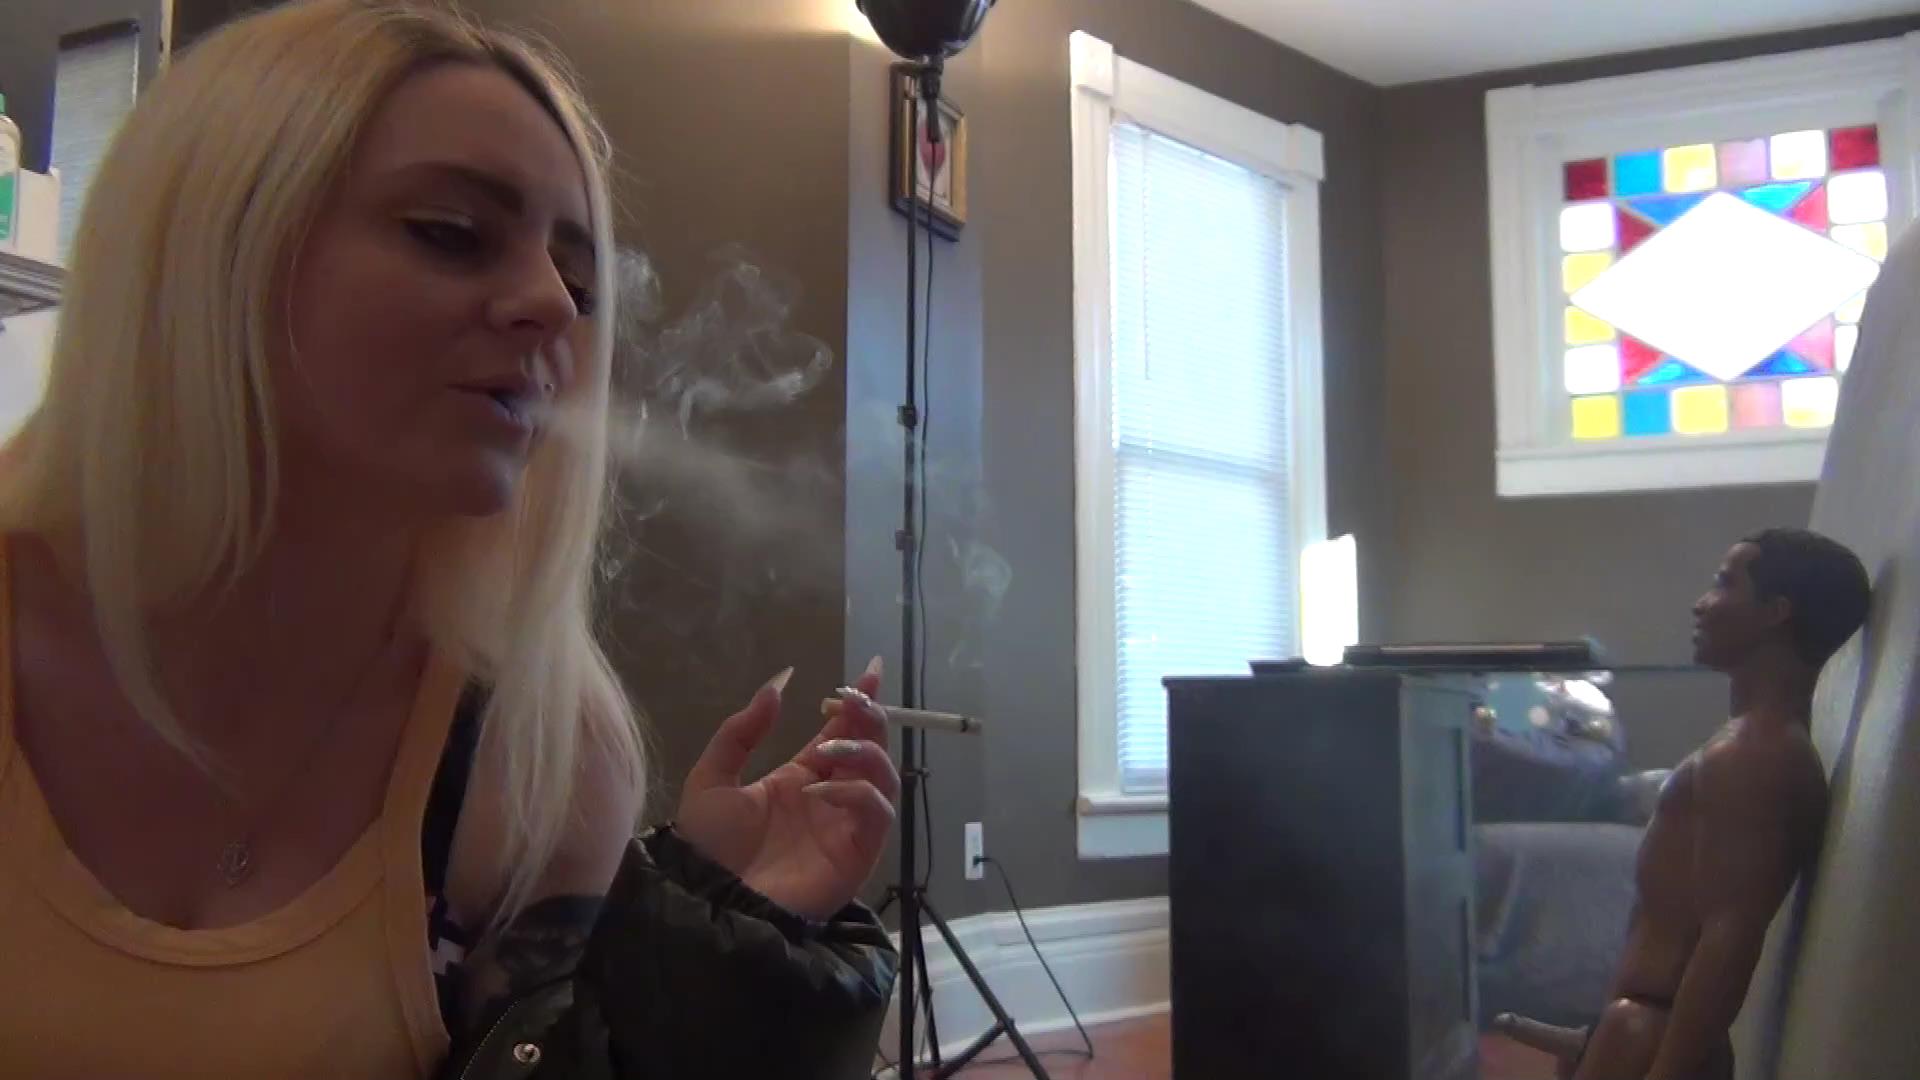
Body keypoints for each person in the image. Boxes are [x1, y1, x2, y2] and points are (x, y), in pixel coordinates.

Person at [0, 2, 900, 1077]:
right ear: (213, 247)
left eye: (580, 281)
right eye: (449, 232)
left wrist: (696, 966)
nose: (553, 307)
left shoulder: (538, 752)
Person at [1496, 528, 1871, 1080]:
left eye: (1725, 584)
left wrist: (1665, 1070)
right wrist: (1600, 1039)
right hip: (1638, 1034)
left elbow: (1729, 936)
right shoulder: (1744, 746)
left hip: (1655, 1042)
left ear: (1776, 612)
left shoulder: (1758, 756)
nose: (1702, 603)